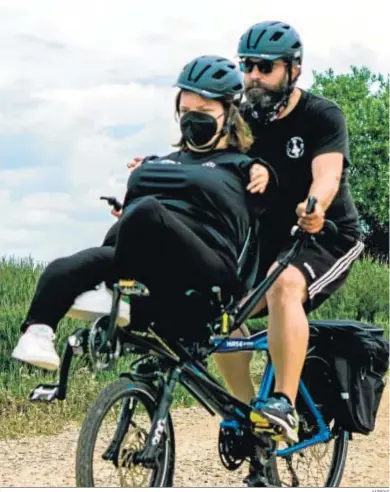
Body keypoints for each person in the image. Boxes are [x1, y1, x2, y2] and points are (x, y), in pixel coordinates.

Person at [126, 21, 364, 445]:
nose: (253, 76)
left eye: (264, 67)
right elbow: (200, 154)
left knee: (284, 287)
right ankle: (245, 410)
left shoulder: (321, 116)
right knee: (220, 307)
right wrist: (157, 166)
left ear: (294, 70)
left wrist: (316, 208)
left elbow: (327, 175)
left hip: (324, 235)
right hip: (265, 238)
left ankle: (283, 405)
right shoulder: (241, 116)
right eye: (247, 65)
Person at [11, 55, 276, 373]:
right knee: (67, 265)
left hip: (209, 274)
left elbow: (274, 202)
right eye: (186, 112)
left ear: (230, 115)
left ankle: (115, 291)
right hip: (154, 274)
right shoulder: (160, 161)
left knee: (145, 211)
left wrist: (266, 175)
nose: (193, 121)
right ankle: (38, 332)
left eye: (204, 113)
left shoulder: (243, 166)